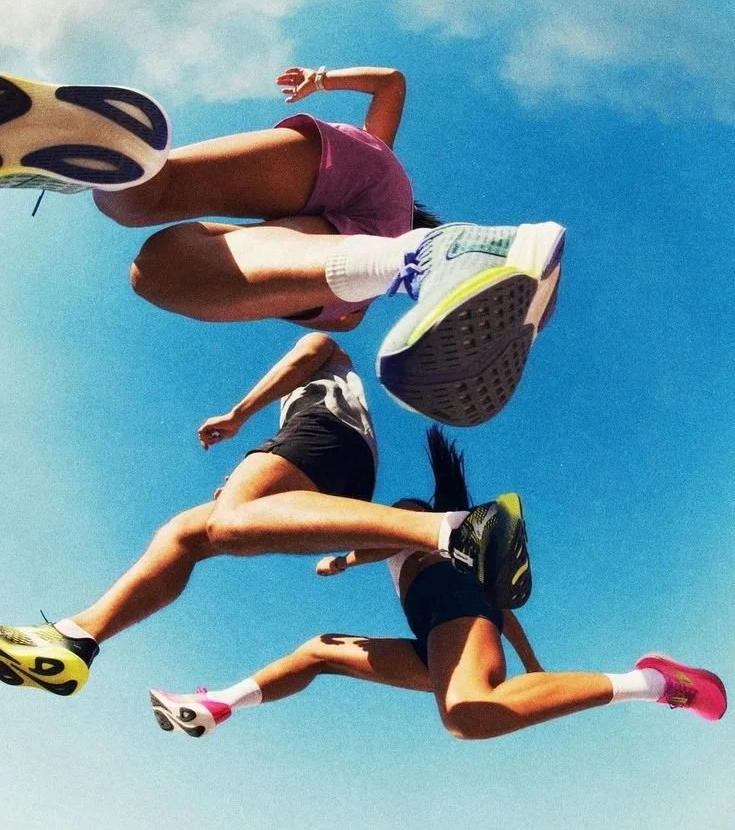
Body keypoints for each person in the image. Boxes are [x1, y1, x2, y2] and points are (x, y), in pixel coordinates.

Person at [0, 67, 565, 425]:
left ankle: (94, 152)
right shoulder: (365, 265)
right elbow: (299, 302)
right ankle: (435, 255)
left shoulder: (385, 161)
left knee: (153, 223)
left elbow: (392, 80)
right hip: (369, 222)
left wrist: (321, 79)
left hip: (359, 164)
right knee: (177, 275)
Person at [0, 336, 531, 700]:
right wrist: (271, 492)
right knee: (187, 533)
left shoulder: (325, 350)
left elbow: (305, 356)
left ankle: (457, 530)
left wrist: (238, 416)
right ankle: (78, 637)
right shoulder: (338, 413)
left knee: (225, 523)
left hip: (323, 433)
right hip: (336, 454)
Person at [148, 427, 728, 739]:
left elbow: (397, 544)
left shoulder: (410, 513)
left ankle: (657, 681)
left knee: (467, 716)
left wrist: (347, 560)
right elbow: (502, 610)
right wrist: (532, 668)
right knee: (320, 651)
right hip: (439, 630)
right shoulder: (441, 541)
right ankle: (220, 703)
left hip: (453, 607)